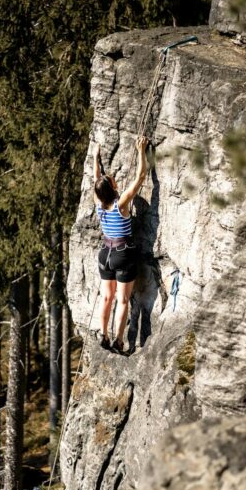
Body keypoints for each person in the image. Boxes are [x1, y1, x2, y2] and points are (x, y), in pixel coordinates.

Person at [93, 136, 148, 354]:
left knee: (107, 297)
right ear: (113, 186)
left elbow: (96, 177)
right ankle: (118, 340)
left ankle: (104, 335)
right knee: (123, 300)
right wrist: (141, 150)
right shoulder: (121, 204)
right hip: (122, 254)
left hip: (105, 254)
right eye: (112, 179)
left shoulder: (99, 203)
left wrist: (95, 157)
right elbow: (141, 177)